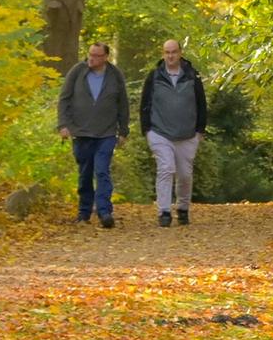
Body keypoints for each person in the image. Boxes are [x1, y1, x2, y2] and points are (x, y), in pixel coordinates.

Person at [57, 41, 130, 227]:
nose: (92, 58)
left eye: (97, 55)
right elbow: (64, 99)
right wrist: (63, 125)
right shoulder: (77, 72)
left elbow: (123, 104)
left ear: (105, 57)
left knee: (102, 170)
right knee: (85, 173)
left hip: (106, 133)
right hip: (81, 132)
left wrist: (123, 131)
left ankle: (105, 212)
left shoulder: (115, 75)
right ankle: (84, 212)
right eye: (90, 54)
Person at [139, 38, 207, 229]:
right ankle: (164, 212)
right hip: (160, 132)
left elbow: (201, 103)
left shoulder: (193, 76)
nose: (170, 56)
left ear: (180, 53)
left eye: (174, 52)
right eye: (167, 52)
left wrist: (200, 129)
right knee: (166, 169)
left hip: (187, 134)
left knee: (185, 174)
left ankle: (183, 208)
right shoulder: (154, 76)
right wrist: (146, 129)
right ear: (163, 54)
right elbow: (145, 104)